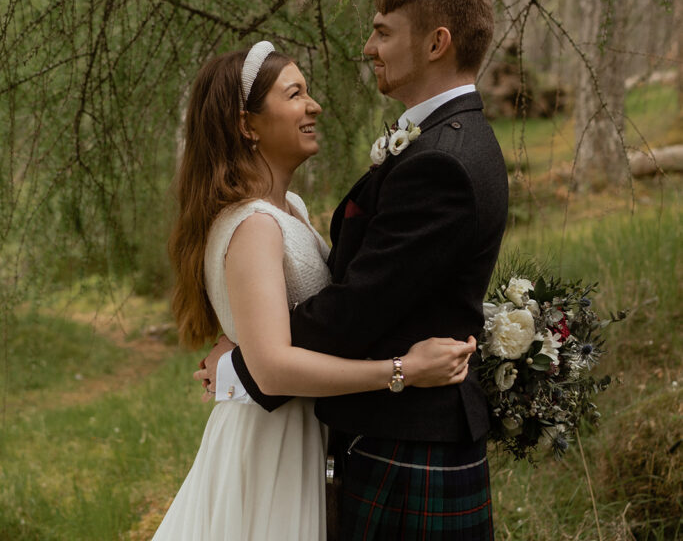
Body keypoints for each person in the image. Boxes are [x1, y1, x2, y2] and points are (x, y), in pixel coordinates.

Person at [202, 0, 509, 540]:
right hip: (392, 436)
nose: (369, 47)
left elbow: (357, 307)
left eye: (383, 31)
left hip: (409, 444)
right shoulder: (443, 141)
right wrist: (246, 325)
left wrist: (246, 362)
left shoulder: (441, 160)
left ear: (437, 42)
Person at [153, 41, 475, 541]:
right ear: (247, 124)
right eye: (295, 94)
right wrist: (403, 372)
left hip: (302, 432)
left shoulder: (291, 210)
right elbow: (274, 369)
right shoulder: (253, 225)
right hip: (268, 443)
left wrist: (240, 352)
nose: (314, 105)